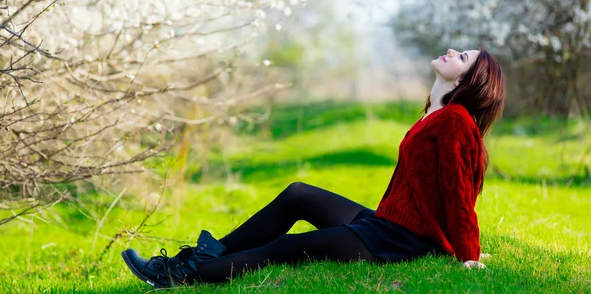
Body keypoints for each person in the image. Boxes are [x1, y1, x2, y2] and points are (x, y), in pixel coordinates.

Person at [121, 47, 505, 288]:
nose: (453, 51)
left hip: (401, 241)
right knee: (297, 195)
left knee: (285, 247)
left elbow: (459, 191)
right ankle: (204, 255)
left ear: (471, 80)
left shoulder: (454, 119)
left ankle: (178, 276)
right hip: (387, 223)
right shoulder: (434, 113)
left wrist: (468, 254)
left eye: (464, 57)